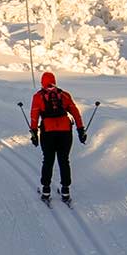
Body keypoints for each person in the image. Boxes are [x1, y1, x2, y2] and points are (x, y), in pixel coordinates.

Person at [29, 71, 86, 201]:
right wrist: (80, 130)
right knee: (64, 160)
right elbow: (75, 113)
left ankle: (46, 191)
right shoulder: (64, 95)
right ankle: (65, 191)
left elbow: (34, 116)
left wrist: (34, 133)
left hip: (48, 133)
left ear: (42, 82)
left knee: (48, 160)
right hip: (65, 132)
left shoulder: (38, 97)